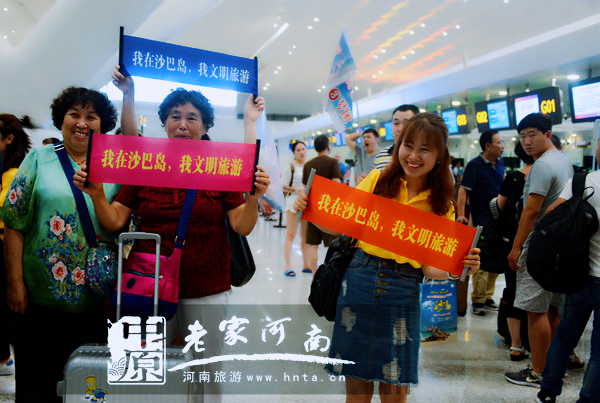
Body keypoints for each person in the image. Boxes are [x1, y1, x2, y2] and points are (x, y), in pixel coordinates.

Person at [74, 80, 268, 401]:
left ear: (205, 126)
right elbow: (115, 220)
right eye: (175, 117)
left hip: (205, 287)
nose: (182, 124)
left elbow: (241, 225)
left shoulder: (220, 167)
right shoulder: (146, 164)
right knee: (143, 366)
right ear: (164, 123)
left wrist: (253, 199)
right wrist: (96, 194)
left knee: (205, 371)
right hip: (147, 285)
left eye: (192, 118)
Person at [295, 113, 481, 403]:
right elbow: (341, 224)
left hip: (403, 289)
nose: (413, 156)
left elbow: (430, 268)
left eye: (425, 149)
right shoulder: (378, 180)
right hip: (359, 279)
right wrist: (310, 208)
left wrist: (458, 268)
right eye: (408, 145)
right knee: (357, 386)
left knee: (395, 387)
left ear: (439, 156)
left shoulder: (441, 205)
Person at [2, 87, 122, 402]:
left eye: (91, 116)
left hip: (95, 302)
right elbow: (14, 223)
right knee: (37, 382)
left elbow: (124, 224)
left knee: (87, 386)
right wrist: (15, 283)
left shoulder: (114, 165)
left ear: (102, 123)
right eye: (74, 114)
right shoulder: (39, 159)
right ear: (61, 119)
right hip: (38, 301)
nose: (82, 123)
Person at [505, 113, 573, 388]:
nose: (526, 141)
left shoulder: (542, 165)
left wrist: (517, 246)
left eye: (532, 134)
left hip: (539, 246)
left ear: (548, 134)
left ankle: (539, 371)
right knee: (552, 308)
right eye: (522, 136)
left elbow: (531, 211)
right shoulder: (562, 160)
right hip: (559, 245)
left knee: (535, 310)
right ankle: (554, 368)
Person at [536, 138, 600, 403]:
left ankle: (548, 391)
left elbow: (552, 217)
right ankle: (588, 398)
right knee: (599, 351)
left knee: (564, 338)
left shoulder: (582, 182)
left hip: (580, 276)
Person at [457, 129, 505, 316]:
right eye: (499, 142)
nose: (502, 146)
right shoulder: (474, 165)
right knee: (481, 259)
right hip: (482, 220)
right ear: (487, 146)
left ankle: (488, 296)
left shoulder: (500, 163)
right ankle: (477, 300)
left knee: (496, 259)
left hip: (499, 220)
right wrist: (461, 215)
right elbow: (463, 190)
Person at [0, 114, 32, 377]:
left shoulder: (14, 175)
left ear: (9, 139)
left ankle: (5, 359)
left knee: (6, 310)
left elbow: (10, 217)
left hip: (5, 249)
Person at [495, 141, 533, 361]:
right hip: (539, 243)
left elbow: (498, 207)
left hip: (512, 241)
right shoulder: (554, 176)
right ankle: (535, 342)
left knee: (513, 289)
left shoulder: (513, 178)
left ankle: (516, 345)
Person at [301, 134, 342, 273]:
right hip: (329, 208)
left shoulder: (308, 164)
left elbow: (305, 187)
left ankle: (314, 276)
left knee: (313, 244)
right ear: (328, 146)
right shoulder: (332, 162)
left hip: (312, 208)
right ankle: (330, 276)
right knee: (332, 245)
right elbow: (337, 185)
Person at [282, 141, 310, 276]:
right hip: (292, 203)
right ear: (294, 152)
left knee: (305, 236)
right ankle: (288, 266)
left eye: (303, 149)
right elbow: (283, 187)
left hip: (305, 204)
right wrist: (297, 190)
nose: (301, 152)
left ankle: (306, 264)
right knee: (291, 234)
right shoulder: (290, 167)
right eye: (298, 150)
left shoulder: (309, 166)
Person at [373, 104, 419, 171]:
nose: (400, 129)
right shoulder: (381, 156)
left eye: (406, 123)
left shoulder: (424, 155)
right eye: (396, 123)